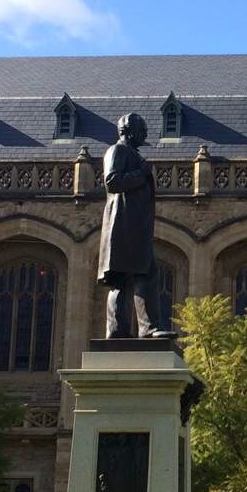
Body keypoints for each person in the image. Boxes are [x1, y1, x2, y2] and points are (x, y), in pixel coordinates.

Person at [97, 113, 175, 340]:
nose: (146, 134)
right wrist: (141, 174)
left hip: (134, 224)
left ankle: (128, 330)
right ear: (129, 131)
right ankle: (141, 329)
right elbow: (112, 181)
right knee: (132, 276)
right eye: (142, 130)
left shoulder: (131, 153)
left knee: (138, 274)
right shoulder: (118, 151)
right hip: (123, 224)